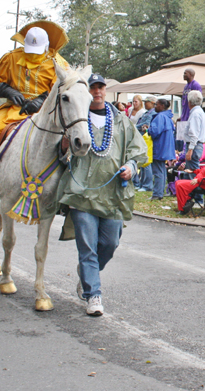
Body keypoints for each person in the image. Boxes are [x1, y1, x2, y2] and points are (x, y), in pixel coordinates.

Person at [57, 73, 146, 317]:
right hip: (81, 195)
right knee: (88, 248)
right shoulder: (77, 119)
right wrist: (64, 146)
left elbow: (137, 151)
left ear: (105, 90)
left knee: (109, 243)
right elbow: (60, 153)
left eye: (100, 87)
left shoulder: (122, 122)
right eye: (93, 87)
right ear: (87, 92)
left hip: (113, 195)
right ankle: (93, 294)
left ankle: (87, 273)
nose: (97, 91)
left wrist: (131, 167)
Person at [0, 22, 69, 204]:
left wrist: (42, 100)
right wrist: (6, 90)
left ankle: (68, 189)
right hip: (13, 109)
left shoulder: (57, 62)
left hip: (45, 112)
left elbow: (65, 86)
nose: (32, 53)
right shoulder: (12, 57)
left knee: (68, 136)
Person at [175, 146, 205, 214]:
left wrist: (198, 180)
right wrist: (193, 171)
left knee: (180, 185)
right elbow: (203, 171)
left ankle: (183, 208)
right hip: (201, 182)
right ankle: (187, 201)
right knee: (178, 182)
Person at [148, 98, 175, 200]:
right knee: (162, 171)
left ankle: (157, 194)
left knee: (158, 171)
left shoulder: (160, 117)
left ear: (162, 106)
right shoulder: (168, 117)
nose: (155, 106)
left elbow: (155, 131)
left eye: (157, 105)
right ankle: (159, 193)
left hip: (159, 147)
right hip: (166, 147)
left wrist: (148, 129)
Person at [176, 68, 202, 151]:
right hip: (185, 115)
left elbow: (197, 100)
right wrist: (182, 115)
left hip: (191, 115)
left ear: (190, 75)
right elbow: (184, 101)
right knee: (183, 138)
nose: (183, 75)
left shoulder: (195, 85)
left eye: (185, 73)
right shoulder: (186, 87)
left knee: (190, 136)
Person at [184, 90, 205, 171]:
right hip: (197, 145)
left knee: (192, 172)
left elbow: (194, 133)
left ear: (189, 102)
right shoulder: (201, 112)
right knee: (193, 170)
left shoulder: (195, 114)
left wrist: (190, 149)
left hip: (194, 146)